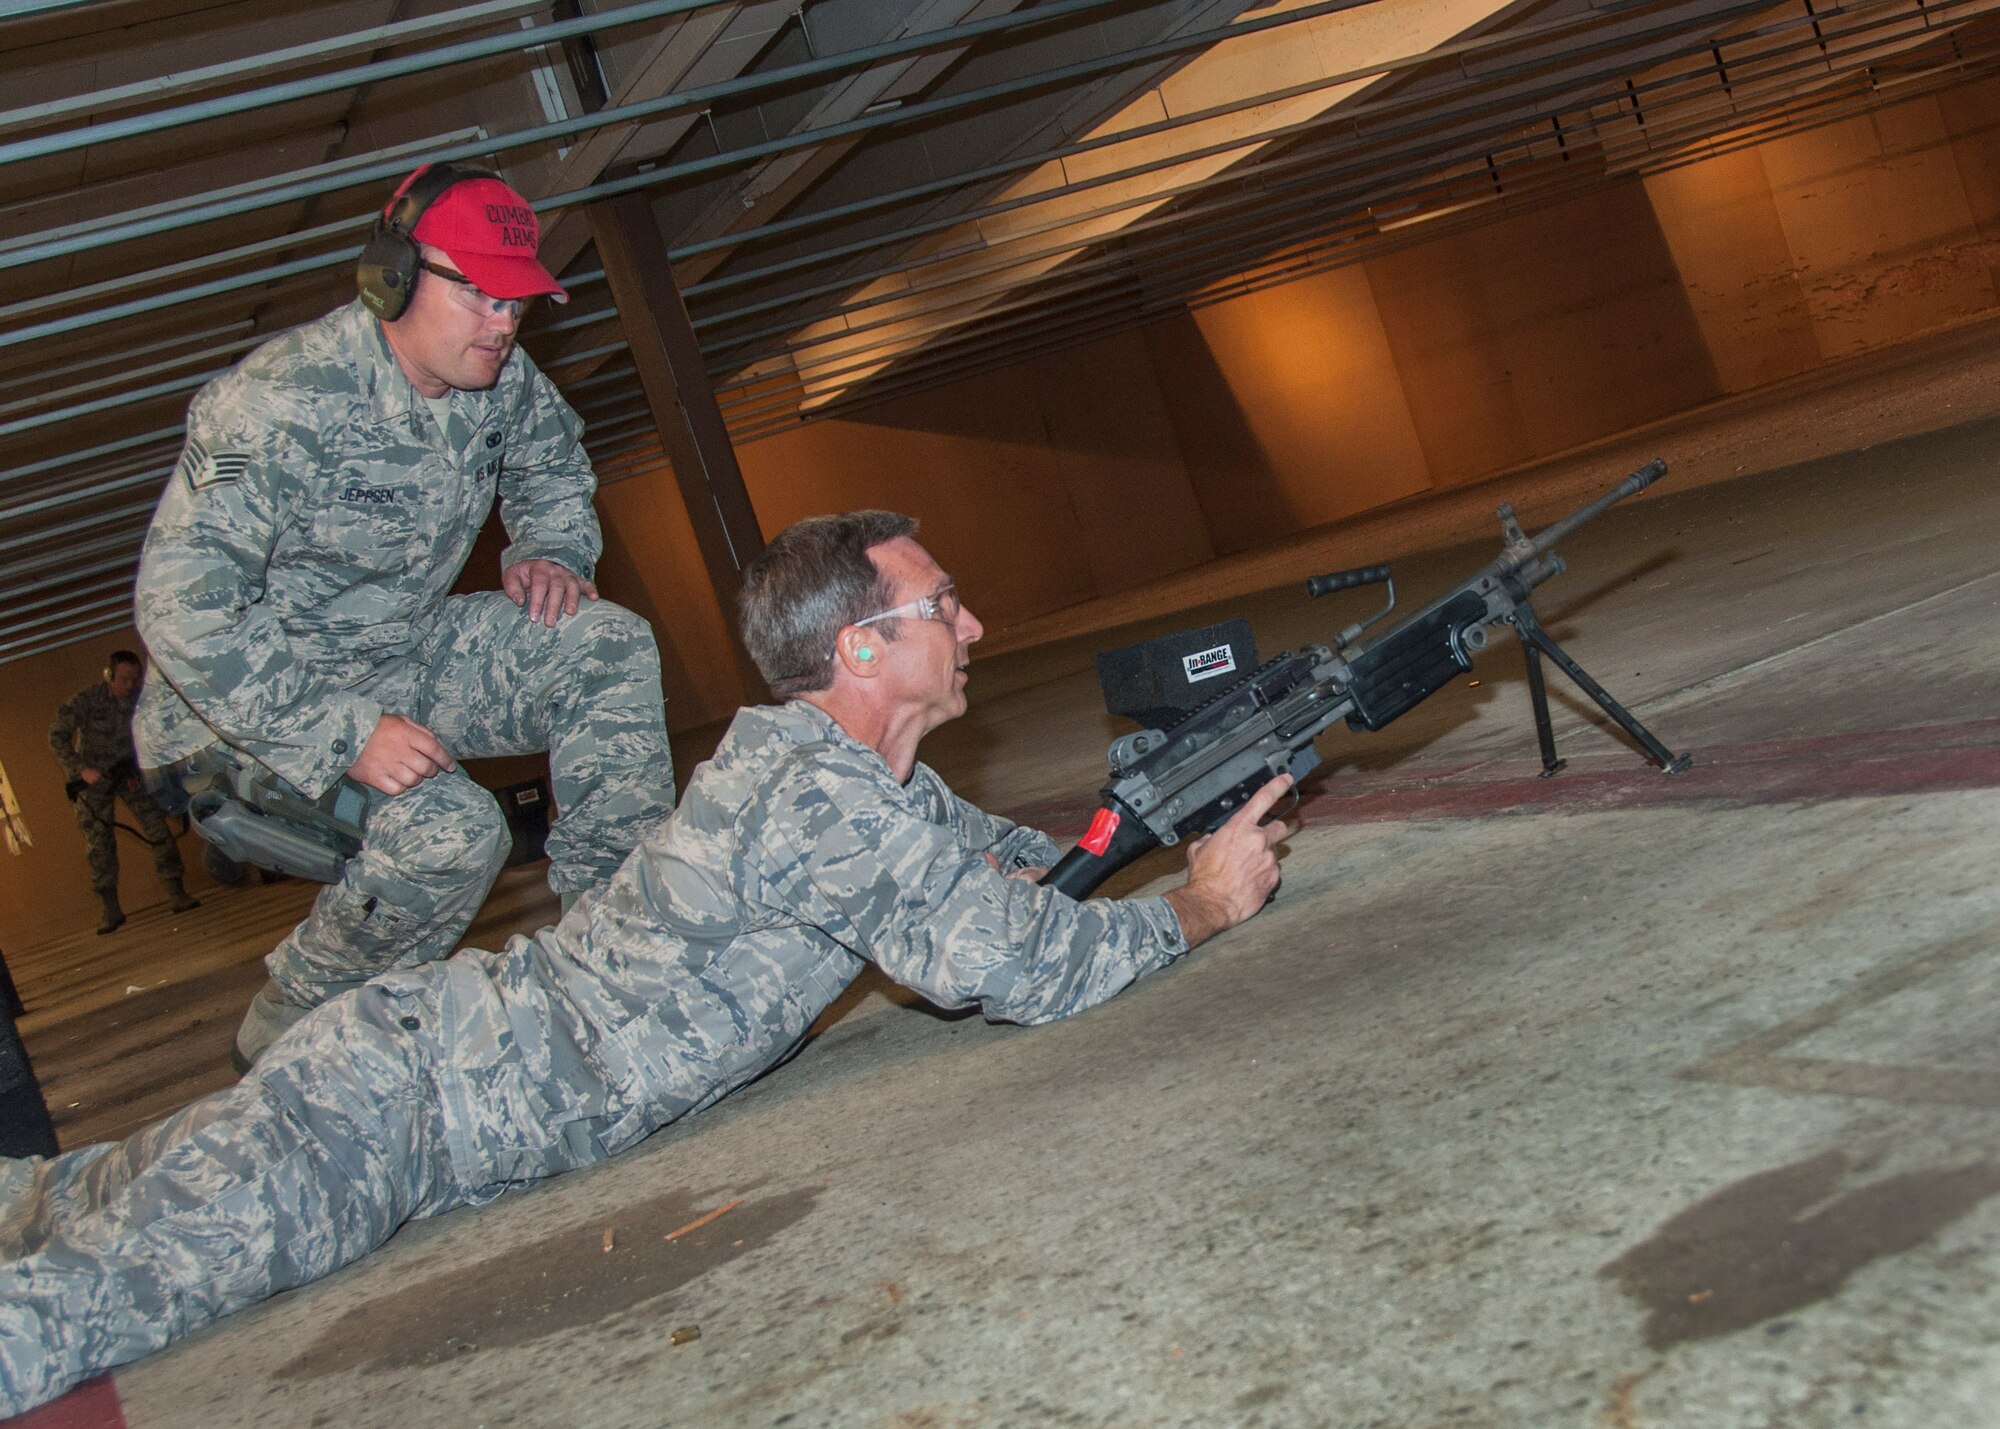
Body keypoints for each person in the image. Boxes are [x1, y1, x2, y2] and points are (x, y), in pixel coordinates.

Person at [0, 511, 1290, 1414]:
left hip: (411, 1067)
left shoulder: (851, 778)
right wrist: (1202, 907)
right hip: (400, 1112)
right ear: (858, 648)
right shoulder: (821, 802)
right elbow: (1021, 968)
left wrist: (1171, 806)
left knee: (67, 1197)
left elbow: (1013, 876)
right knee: (83, 1305)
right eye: (939, 604)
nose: (973, 621)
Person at [133, 161, 676, 1068]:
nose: (504, 324)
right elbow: (181, 608)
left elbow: (553, 461)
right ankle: (297, 1018)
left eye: (518, 303)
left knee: (606, 644)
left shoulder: (499, 376)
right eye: (479, 296)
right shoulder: (282, 400)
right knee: (455, 834)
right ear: (393, 276)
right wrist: (341, 731)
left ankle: (613, 954)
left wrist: (551, 547)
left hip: (399, 655)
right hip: (235, 722)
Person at [47, 651, 199, 935]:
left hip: (131, 776)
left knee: (158, 830)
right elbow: (56, 734)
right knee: (99, 843)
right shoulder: (88, 700)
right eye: (124, 679)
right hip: (95, 781)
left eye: (135, 679)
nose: (130, 685)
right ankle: (110, 909)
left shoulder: (144, 701)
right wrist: (81, 770)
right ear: (109, 675)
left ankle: (178, 893)